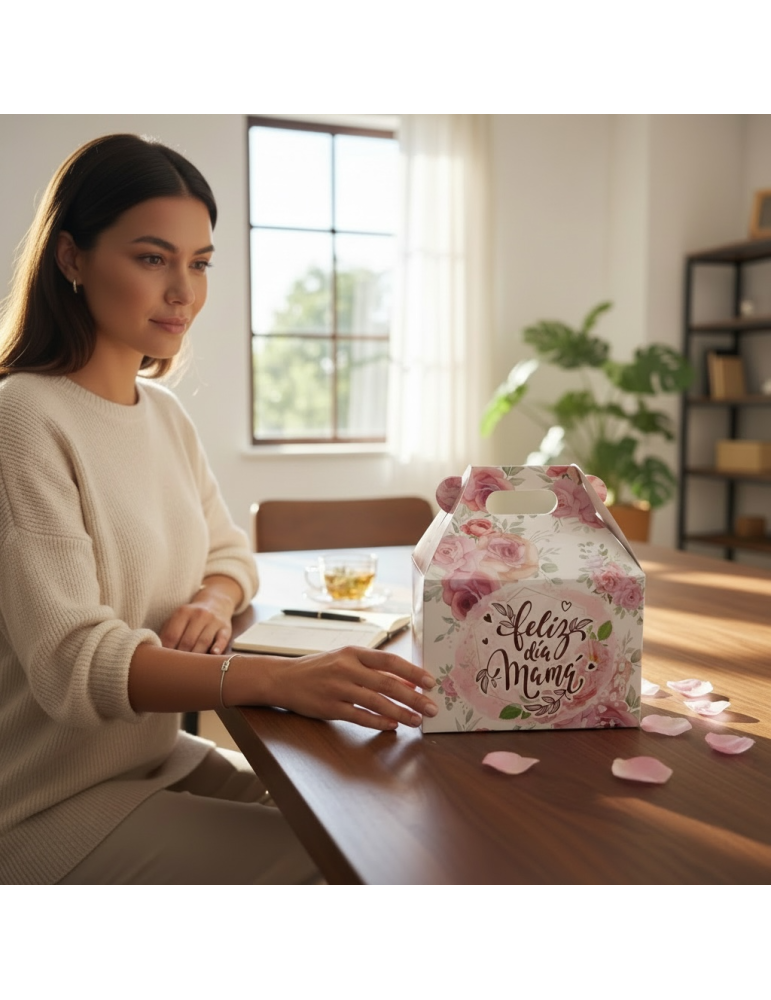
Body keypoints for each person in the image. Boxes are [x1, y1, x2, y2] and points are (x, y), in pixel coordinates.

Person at [0, 133, 438, 884]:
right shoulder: (22, 418)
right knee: (350, 869)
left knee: (379, 823)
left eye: (198, 262)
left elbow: (231, 552)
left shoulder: (162, 414)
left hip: (151, 758)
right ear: (70, 258)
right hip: (42, 806)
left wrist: (211, 597)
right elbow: (74, 662)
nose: (184, 291)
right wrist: (270, 678)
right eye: (151, 258)